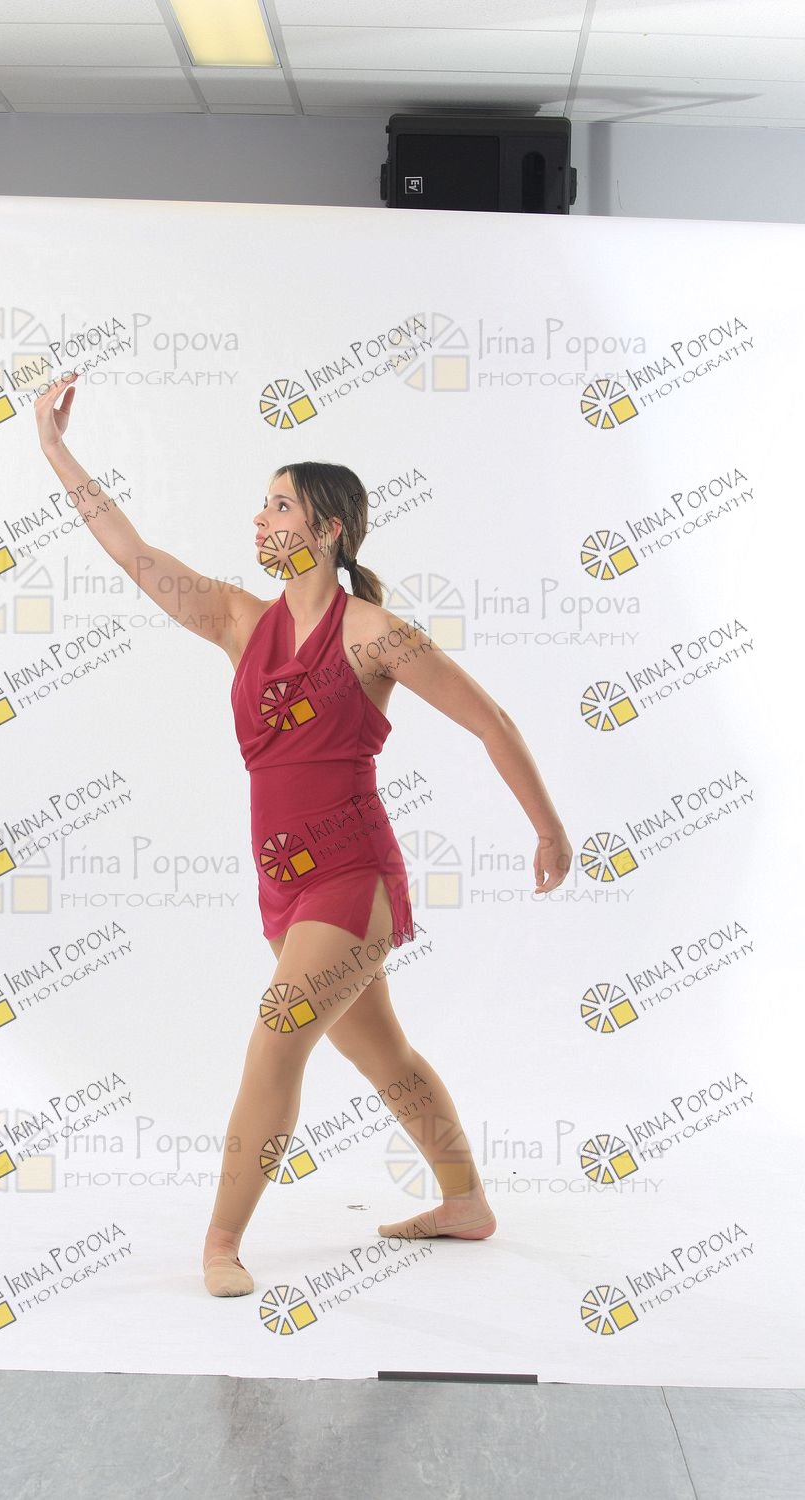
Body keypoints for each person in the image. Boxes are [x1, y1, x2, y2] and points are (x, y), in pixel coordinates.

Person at [34, 369, 573, 1298]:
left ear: (327, 530)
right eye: (263, 504)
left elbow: (492, 722)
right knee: (385, 1055)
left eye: (279, 505)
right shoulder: (239, 620)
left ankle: (221, 1242)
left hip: (351, 877)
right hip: (281, 886)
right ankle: (466, 1202)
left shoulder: (376, 636)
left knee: (275, 1039)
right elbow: (133, 552)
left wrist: (548, 832)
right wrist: (55, 449)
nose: (260, 518)